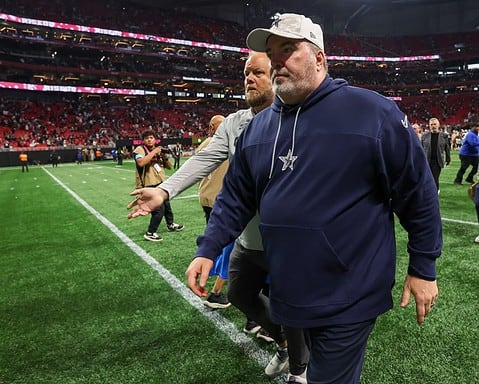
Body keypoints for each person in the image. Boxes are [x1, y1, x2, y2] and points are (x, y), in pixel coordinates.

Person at [186, 13, 442, 384]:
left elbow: (417, 192)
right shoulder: (258, 127)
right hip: (290, 287)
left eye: (288, 50)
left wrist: (423, 267)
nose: (277, 61)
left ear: (320, 58)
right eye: (273, 53)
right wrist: (208, 248)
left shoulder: (372, 113)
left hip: (350, 292)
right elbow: (236, 196)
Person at [128, 52, 309, 383]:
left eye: (257, 72)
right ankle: (283, 343)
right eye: (245, 74)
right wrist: (165, 190)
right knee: (239, 294)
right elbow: (205, 159)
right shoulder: (234, 123)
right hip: (247, 237)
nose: (249, 79)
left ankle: (300, 370)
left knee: (289, 304)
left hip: (285, 239)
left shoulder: (295, 117)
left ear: (276, 76)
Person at [197, 114, 231, 309]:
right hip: (221, 199)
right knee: (229, 244)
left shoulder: (205, 143)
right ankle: (216, 290)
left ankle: (210, 259)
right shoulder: (224, 143)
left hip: (208, 197)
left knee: (217, 236)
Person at [133, 130, 184, 242]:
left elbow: (169, 167)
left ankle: (170, 224)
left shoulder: (159, 150)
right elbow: (141, 163)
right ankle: (150, 232)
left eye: (151, 137)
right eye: (147, 138)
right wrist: (155, 151)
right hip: (148, 185)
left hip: (161, 182)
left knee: (167, 206)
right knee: (158, 210)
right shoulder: (139, 150)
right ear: (143, 140)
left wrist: (164, 156)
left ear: (155, 139)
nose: (149, 140)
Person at [421, 117, 450, 192]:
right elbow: (421, 148)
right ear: (429, 126)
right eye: (431, 124)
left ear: (438, 125)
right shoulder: (424, 136)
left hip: (438, 161)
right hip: (427, 160)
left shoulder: (444, 136)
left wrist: (448, 159)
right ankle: (430, 191)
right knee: (427, 177)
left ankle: (436, 191)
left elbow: (447, 148)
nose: (433, 126)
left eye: (435, 124)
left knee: (435, 177)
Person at [453, 119, 479, 185]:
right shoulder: (470, 134)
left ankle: (469, 178)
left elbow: (476, 145)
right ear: (474, 127)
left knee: (477, 167)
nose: (478, 128)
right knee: (463, 168)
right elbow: (472, 143)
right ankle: (457, 181)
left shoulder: (475, 135)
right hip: (466, 154)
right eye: (477, 127)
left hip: (473, 155)